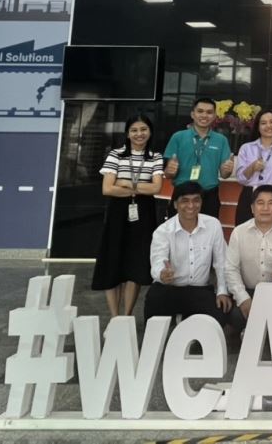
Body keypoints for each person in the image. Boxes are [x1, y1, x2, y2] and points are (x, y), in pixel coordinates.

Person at [93, 114, 164, 317]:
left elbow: (156, 188)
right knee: (113, 260)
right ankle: (114, 316)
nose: (139, 134)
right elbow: (107, 188)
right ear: (127, 133)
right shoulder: (116, 155)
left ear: (150, 132)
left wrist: (126, 183)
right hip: (117, 212)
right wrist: (140, 188)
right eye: (134, 130)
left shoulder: (155, 157)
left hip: (144, 212)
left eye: (143, 129)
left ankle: (126, 315)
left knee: (136, 262)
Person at [145, 181, 233, 324]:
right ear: (175, 204)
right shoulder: (163, 231)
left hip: (200, 289)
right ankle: (180, 317)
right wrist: (162, 274)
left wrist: (222, 291)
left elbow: (221, 261)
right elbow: (157, 261)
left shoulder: (213, 225)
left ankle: (186, 317)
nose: (191, 206)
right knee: (153, 314)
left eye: (196, 200)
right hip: (170, 288)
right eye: (185, 201)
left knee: (220, 315)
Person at [225, 185, 272, 333]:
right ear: (252, 208)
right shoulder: (239, 232)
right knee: (235, 316)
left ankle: (266, 329)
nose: (265, 208)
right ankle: (264, 328)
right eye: (260, 203)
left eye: (271, 203)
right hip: (249, 291)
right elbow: (230, 269)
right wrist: (243, 299)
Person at [163, 97, 235, 218]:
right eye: (200, 111)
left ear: (214, 116)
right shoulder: (178, 137)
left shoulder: (221, 140)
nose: (204, 115)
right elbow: (168, 175)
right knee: (178, 229)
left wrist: (227, 169)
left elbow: (224, 175)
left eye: (209, 112)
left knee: (208, 229)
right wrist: (170, 170)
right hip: (182, 194)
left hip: (209, 196)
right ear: (192, 114)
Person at [234, 109, 272, 225]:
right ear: (258, 127)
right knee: (245, 232)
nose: (268, 126)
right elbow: (240, 178)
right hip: (249, 196)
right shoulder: (246, 148)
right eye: (263, 123)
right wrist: (252, 167)